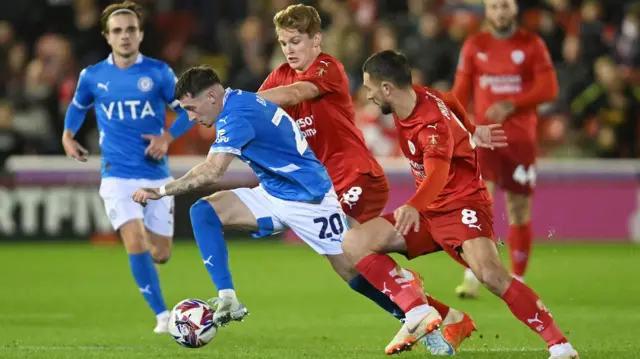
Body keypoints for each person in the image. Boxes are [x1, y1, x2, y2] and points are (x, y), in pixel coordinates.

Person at [130, 65, 454, 354]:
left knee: (355, 272)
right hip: (274, 193)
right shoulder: (238, 101)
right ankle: (226, 294)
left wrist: (161, 190)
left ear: (213, 96)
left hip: (309, 200)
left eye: (191, 107)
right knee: (204, 211)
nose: (189, 116)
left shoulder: (236, 115)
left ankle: (426, 317)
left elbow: (212, 171)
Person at [256, 5, 504, 352]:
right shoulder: (279, 75)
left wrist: (241, 101)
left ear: (316, 40)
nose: (290, 49)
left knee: (355, 250)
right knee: (348, 268)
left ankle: (416, 305)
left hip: (357, 176)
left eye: (296, 41)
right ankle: (444, 318)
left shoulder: (327, 67)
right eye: (284, 43)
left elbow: (294, 95)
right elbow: (260, 113)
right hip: (325, 186)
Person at [341, 50, 579, 359]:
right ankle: (421, 308)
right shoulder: (419, 98)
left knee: (491, 275)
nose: (368, 94)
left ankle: (560, 345)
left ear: (387, 88)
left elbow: (438, 173)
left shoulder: (431, 127)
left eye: (370, 86)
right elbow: (451, 99)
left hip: (461, 205)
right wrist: (471, 129)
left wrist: (413, 205)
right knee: (355, 243)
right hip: (430, 210)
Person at [61, 1, 194, 333]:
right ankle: (163, 316)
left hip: (156, 175)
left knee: (160, 253)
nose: (125, 36)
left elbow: (188, 112)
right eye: (118, 31)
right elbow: (78, 107)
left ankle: (152, 279)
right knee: (134, 239)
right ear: (107, 36)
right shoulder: (92, 76)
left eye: (131, 30)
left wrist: (166, 137)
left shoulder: (159, 73)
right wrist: (67, 135)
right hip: (116, 174)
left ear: (141, 34)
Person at [452, 0, 559, 297]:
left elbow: (549, 88)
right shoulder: (475, 44)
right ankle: (473, 276)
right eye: (495, 6)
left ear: (515, 9)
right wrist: (454, 123)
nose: (500, 12)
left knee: (518, 210)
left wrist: (513, 104)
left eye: (505, 6)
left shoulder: (531, 44)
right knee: (478, 206)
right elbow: (460, 92)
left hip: (520, 140)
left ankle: (519, 279)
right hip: (485, 139)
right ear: (486, 10)